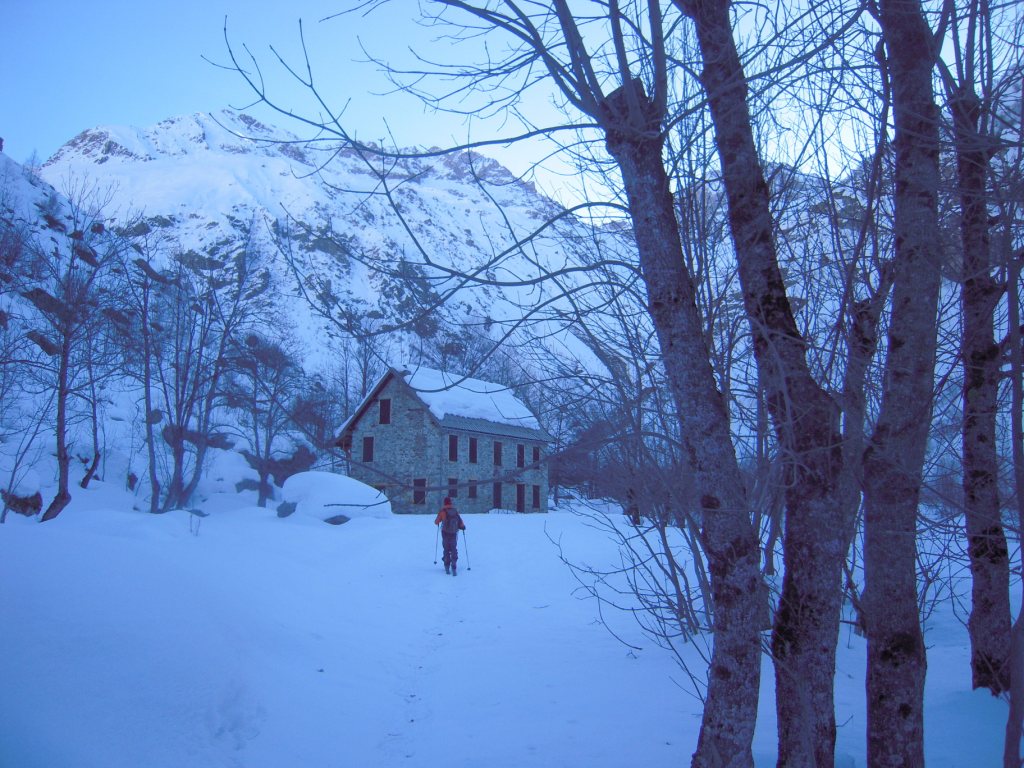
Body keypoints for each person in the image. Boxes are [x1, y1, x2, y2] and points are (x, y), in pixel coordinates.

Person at [434, 496, 466, 576]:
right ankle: (454, 566)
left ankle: (447, 566)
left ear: (444, 503)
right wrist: (462, 526)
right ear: (450, 502)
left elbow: (436, 522)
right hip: (454, 532)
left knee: (446, 549)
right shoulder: (455, 511)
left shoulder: (442, 511)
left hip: (445, 533)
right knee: (453, 548)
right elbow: (460, 521)